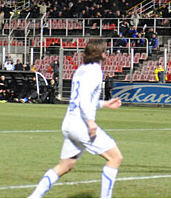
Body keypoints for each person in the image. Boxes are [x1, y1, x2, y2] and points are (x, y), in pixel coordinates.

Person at [28, 40, 123, 198]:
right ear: (100, 53)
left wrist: (104, 104)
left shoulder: (81, 70)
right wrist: (90, 122)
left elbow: (80, 99)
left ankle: (34, 197)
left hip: (69, 123)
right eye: (105, 50)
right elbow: (84, 99)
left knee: (65, 165)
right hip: (81, 125)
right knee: (115, 158)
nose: (107, 53)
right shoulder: (95, 71)